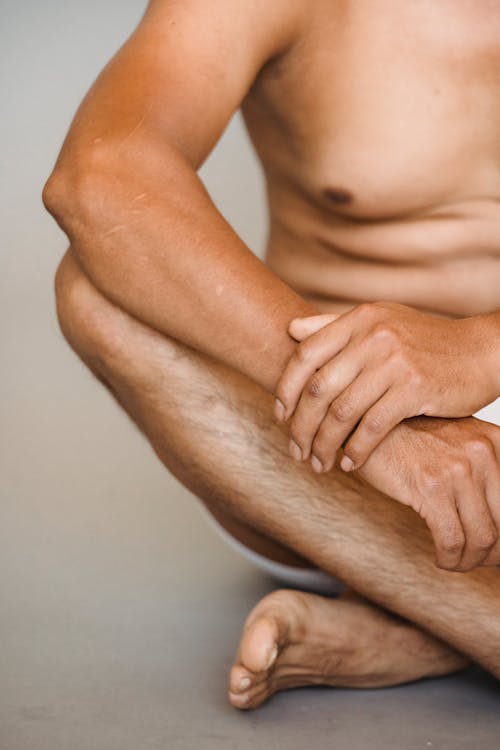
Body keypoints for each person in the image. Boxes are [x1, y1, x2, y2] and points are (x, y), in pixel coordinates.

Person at [43, 0, 500, 709]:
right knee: (97, 284)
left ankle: (423, 623)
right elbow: (100, 174)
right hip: (332, 473)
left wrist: (482, 347)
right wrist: (365, 419)